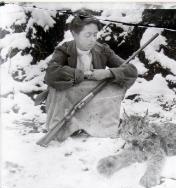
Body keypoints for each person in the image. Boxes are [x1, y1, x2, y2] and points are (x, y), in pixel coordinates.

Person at [40, 10, 138, 141]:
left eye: (95, 34)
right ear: (75, 34)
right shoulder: (64, 49)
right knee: (57, 89)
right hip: (69, 99)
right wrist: (83, 74)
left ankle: (101, 126)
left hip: (93, 97)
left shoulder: (103, 49)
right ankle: (67, 127)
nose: (93, 39)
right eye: (87, 35)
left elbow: (131, 71)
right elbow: (51, 74)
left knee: (114, 86)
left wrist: (108, 73)